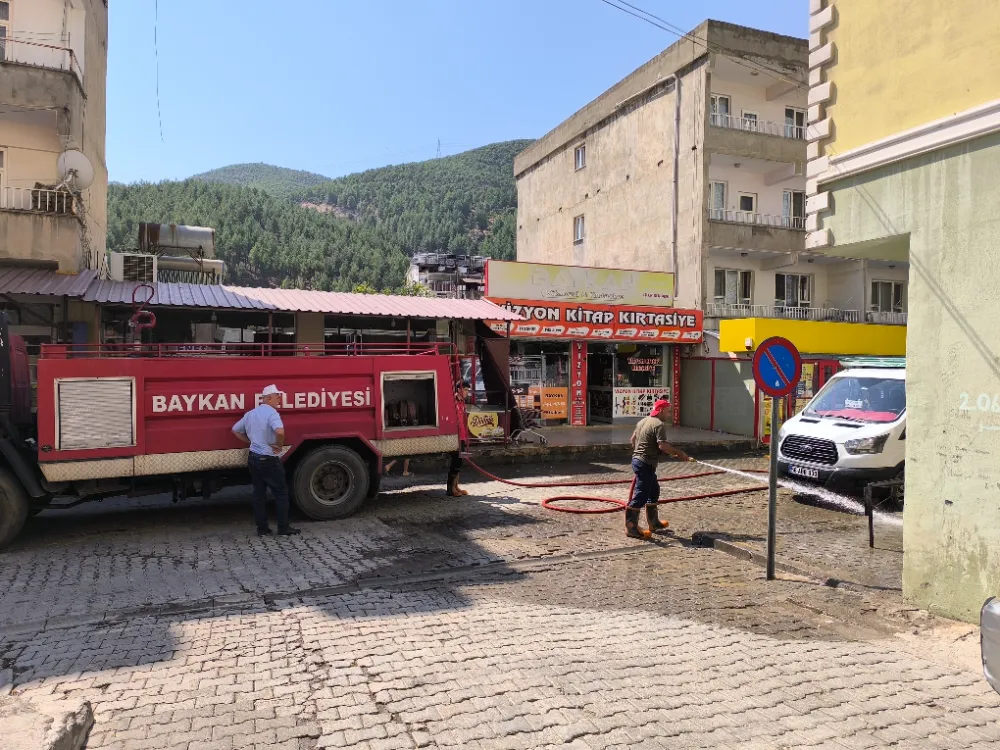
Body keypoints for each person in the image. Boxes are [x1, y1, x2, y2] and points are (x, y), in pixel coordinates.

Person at [232, 384, 301, 537]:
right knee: (281, 493)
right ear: (269, 398)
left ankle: (262, 529)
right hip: (268, 459)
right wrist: (279, 445)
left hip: (253, 458)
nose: (279, 399)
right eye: (277, 396)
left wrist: (250, 441)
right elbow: (280, 431)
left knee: (259, 495)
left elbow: (235, 429)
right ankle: (283, 528)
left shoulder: (251, 414)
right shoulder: (272, 414)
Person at [626, 398, 692, 539]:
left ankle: (654, 523)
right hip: (644, 463)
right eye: (668, 412)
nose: (669, 415)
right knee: (641, 494)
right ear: (661, 411)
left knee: (654, 490)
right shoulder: (658, 424)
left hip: (639, 461)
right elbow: (663, 446)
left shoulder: (643, 421)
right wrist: (680, 453)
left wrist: (643, 451)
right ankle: (631, 527)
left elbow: (632, 440)